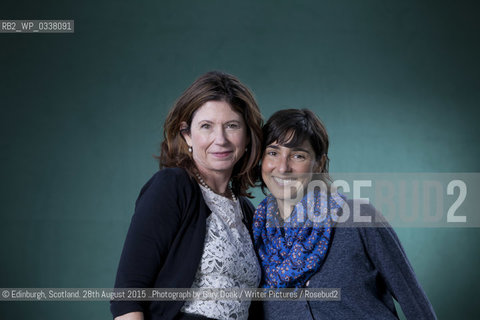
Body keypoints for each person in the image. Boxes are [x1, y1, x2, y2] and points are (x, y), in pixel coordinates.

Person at [252, 109, 437, 319]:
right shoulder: (255, 233)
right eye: (273, 153)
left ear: (319, 164)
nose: (283, 167)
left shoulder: (358, 217)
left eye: (298, 155)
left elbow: (414, 300)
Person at [111, 71, 263, 320]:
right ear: (187, 135)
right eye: (206, 126)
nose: (220, 139)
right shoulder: (171, 187)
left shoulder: (247, 211)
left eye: (232, 126)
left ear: (247, 137)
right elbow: (127, 298)